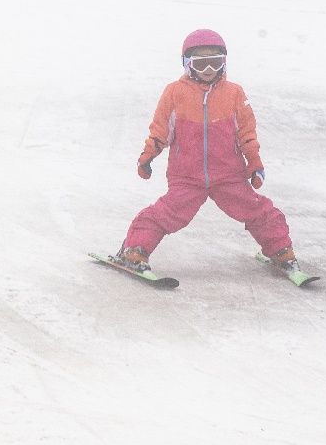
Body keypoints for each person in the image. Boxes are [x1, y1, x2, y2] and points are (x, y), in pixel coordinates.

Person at [114, 29, 297, 274]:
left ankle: (281, 250)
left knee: (258, 210)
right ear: (188, 64)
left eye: (215, 62)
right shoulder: (174, 93)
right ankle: (134, 249)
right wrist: (148, 156)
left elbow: (247, 133)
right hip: (186, 177)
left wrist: (254, 162)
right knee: (164, 214)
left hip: (229, 175)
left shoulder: (234, 93)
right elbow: (160, 130)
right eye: (201, 63)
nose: (208, 69)